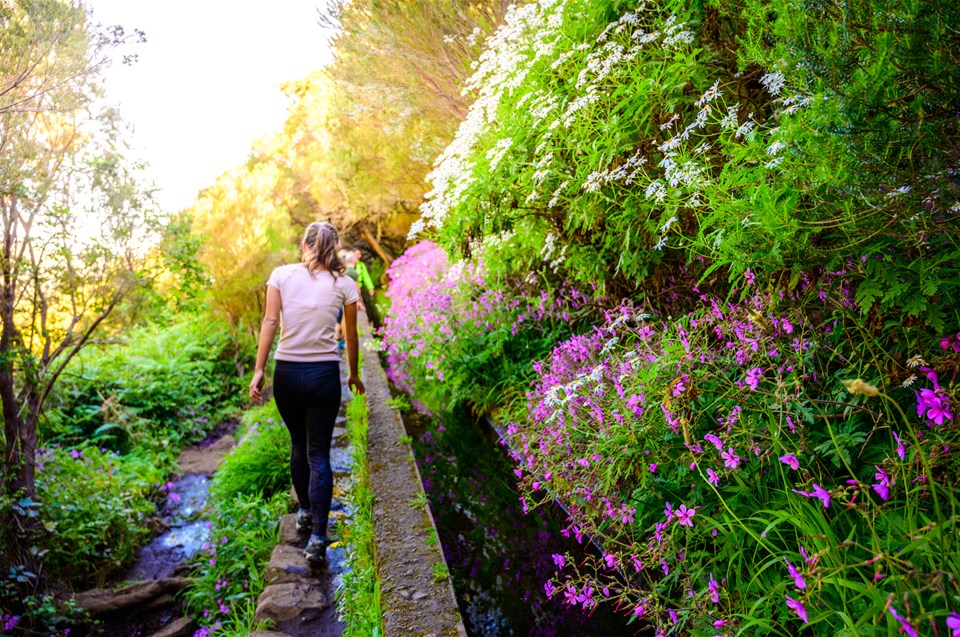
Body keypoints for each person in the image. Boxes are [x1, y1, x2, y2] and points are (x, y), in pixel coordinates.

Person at [249, 221, 365, 565]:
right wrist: (354, 374)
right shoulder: (345, 283)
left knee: (298, 445)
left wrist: (259, 370)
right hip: (324, 375)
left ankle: (304, 510)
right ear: (334, 246)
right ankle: (317, 539)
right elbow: (352, 336)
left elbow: (270, 322)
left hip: (287, 374)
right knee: (319, 454)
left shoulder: (281, 275)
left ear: (305, 244)